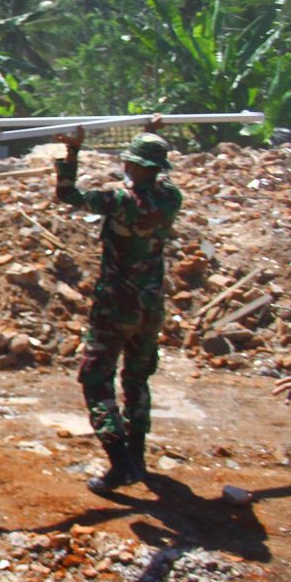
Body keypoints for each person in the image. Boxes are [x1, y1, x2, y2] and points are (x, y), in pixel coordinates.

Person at [53, 119, 181, 494]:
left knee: (95, 379)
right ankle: (137, 457)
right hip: (150, 307)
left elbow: (68, 194)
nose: (125, 167)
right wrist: (151, 132)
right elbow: (159, 177)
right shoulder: (171, 199)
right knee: (137, 379)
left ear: (135, 165)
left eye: (130, 162)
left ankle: (121, 463)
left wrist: (72, 152)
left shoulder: (120, 201)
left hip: (115, 306)